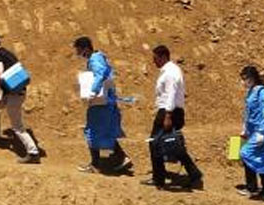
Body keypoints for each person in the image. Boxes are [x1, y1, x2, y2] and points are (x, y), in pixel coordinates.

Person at [143, 45, 203, 190]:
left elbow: (170, 94)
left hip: (168, 111)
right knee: (173, 144)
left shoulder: (170, 72)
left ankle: (159, 179)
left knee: (155, 142)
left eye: (155, 58)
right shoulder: (171, 70)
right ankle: (194, 173)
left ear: (163, 57)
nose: (154, 62)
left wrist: (168, 115)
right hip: (171, 111)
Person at [74, 36, 131, 174]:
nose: (78, 53)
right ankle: (121, 158)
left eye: (79, 50)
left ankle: (97, 164)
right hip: (106, 100)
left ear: (85, 49)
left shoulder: (94, 59)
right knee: (104, 131)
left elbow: (100, 75)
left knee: (91, 131)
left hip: (101, 102)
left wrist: (92, 92)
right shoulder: (99, 57)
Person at [0, 33, 40, 164]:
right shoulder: (7, 53)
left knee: (17, 126)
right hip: (12, 93)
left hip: (14, 96)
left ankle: (33, 153)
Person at [237, 65, 264, 199]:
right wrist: (245, 128)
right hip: (254, 132)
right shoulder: (252, 92)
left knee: (247, 154)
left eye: (245, 79)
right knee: (259, 158)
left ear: (251, 78)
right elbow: (249, 112)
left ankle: (259, 189)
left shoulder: (262, 92)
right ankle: (258, 189)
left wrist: (262, 131)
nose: (243, 82)